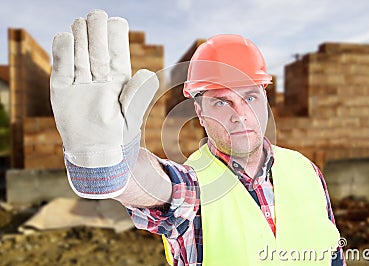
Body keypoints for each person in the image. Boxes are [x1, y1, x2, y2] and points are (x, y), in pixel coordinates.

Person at [50, 10, 346, 266]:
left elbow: (333, 253)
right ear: (199, 112)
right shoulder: (196, 186)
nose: (240, 114)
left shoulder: (306, 171)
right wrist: (105, 163)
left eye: (250, 96)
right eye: (221, 102)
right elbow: (157, 185)